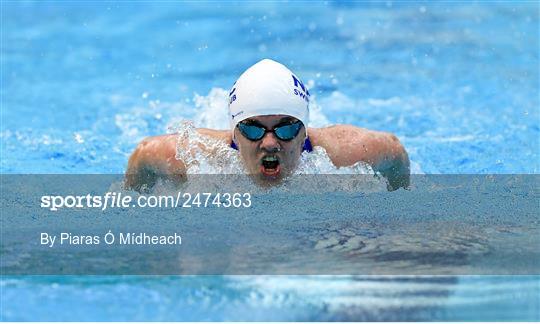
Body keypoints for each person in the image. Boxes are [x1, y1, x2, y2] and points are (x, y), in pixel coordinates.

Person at [125, 59, 410, 191]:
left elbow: (394, 151)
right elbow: (143, 154)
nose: (270, 142)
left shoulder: (342, 154)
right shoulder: (198, 158)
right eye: (253, 128)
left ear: (304, 133)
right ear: (235, 133)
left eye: (286, 129)